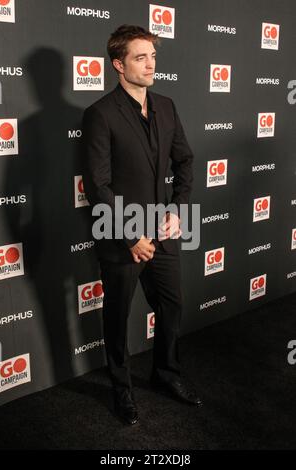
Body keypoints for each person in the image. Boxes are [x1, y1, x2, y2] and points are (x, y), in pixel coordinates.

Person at [82, 24, 202, 426]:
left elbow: (185, 161)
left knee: (171, 306)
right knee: (117, 316)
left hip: (164, 232)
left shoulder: (166, 106)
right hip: (121, 236)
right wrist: (131, 235)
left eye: (153, 56)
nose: (151, 64)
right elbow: (97, 184)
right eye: (140, 57)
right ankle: (122, 388)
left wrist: (177, 209)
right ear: (118, 64)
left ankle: (166, 374)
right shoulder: (99, 114)